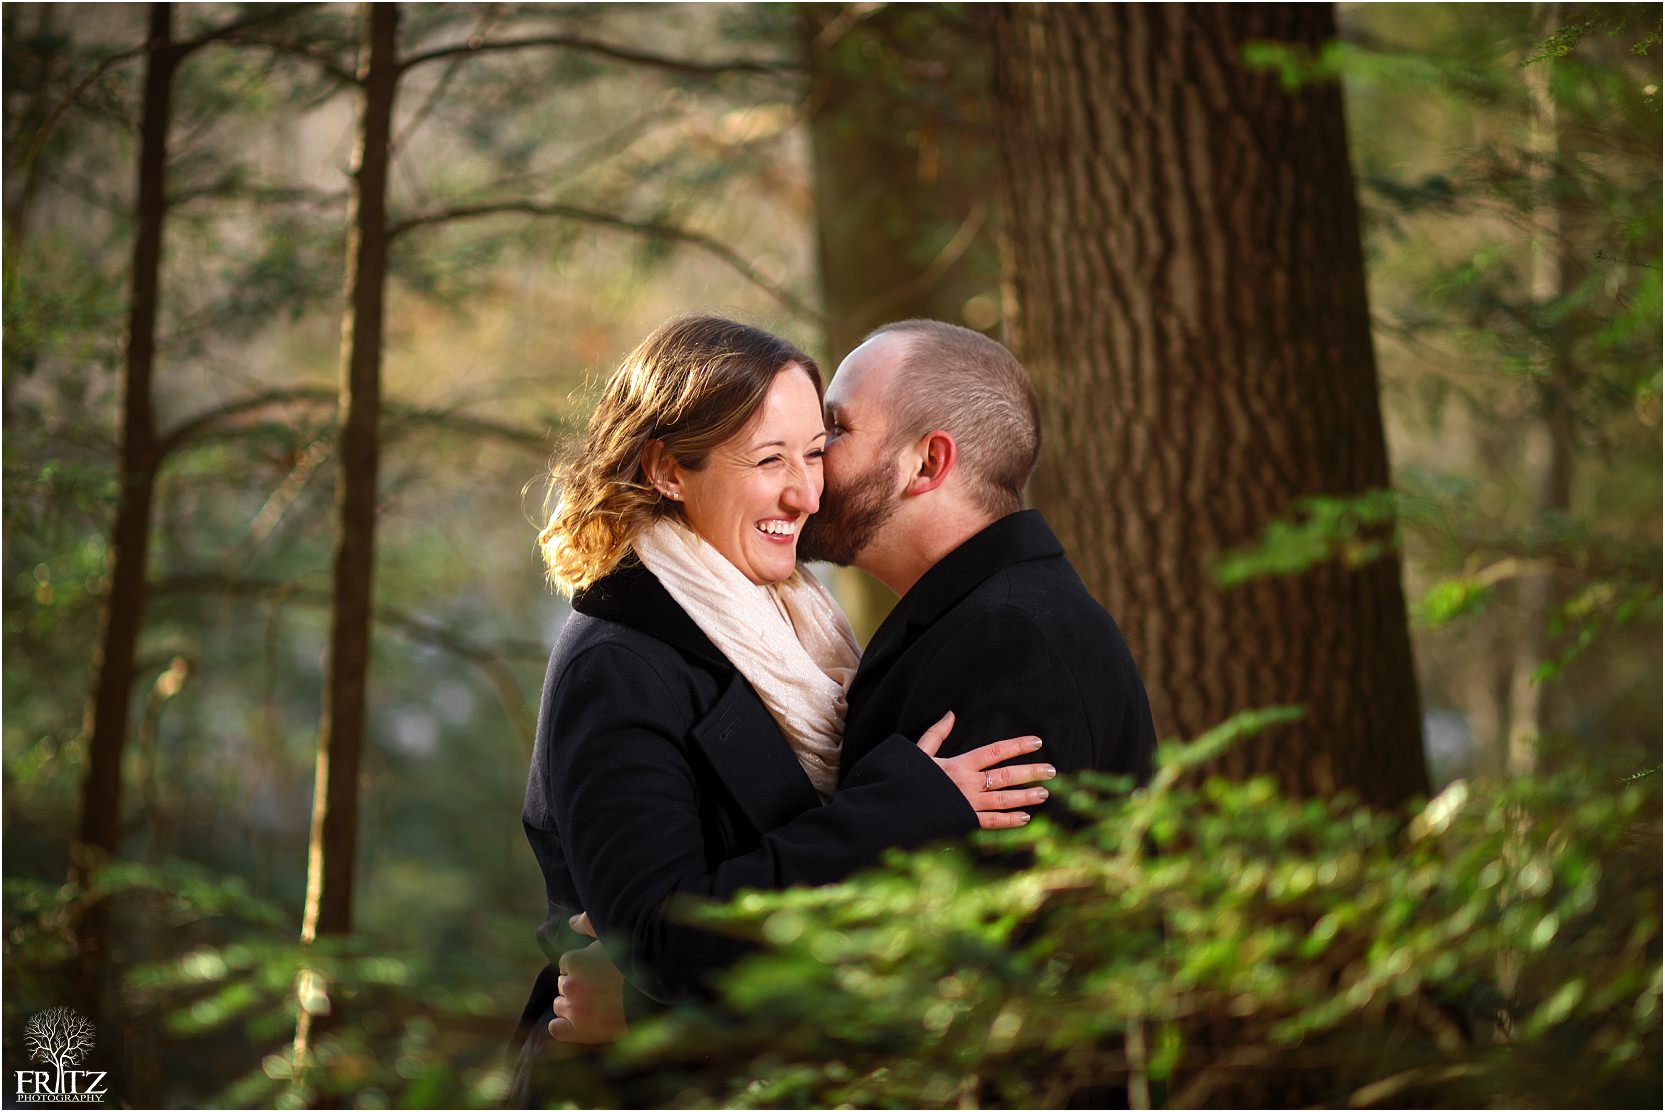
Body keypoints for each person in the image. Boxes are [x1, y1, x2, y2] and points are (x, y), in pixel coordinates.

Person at [544, 319, 1158, 1047]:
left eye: (825, 440)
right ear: (669, 470)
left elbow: (958, 954)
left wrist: (659, 1014)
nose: (810, 487)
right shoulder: (637, 655)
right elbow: (650, 911)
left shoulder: (1004, 640)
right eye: (774, 456)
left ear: (925, 464)